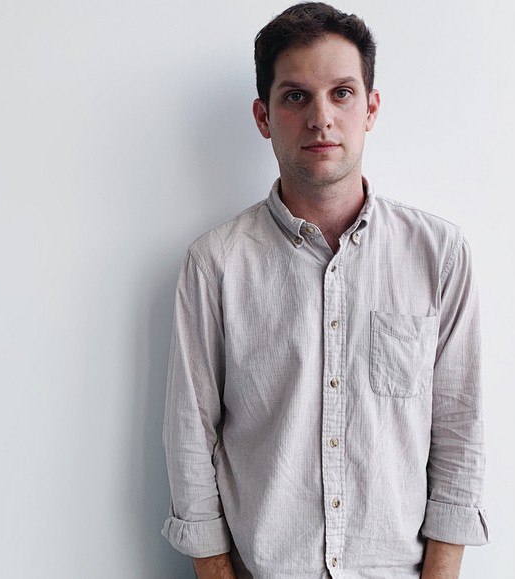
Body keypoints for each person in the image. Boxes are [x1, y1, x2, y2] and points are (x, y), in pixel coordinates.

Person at [160, 3, 489, 578]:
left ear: (371, 107)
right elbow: (190, 436)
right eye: (296, 96)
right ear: (263, 116)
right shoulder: (215, 264)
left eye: (341, 93)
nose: (321, 118)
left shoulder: (439, 255)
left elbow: (459, 432)